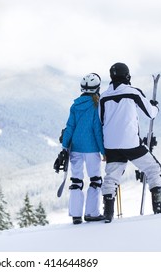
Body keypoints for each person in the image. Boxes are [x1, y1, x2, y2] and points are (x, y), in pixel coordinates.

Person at [99, 62, 161, 223]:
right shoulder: (132, 92)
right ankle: (158, 203)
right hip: (131, 142)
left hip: (110, 144)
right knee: (152, 168)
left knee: (111, 176)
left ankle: (108, 212)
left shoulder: (103, 96)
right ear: (127, 76)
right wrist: (155, 106)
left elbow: (101, 121)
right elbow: (151, 113)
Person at [61, 73, 106, 225]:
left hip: (75, 149)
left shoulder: (75, 106)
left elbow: (70, 127)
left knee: (76, 180)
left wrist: (64, 146)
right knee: (95, 180)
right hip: (92, 149)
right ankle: (91, 213)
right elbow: (97, 130)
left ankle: (76, 215)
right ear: (97, 89)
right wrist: (103, 151)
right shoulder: (96, 106)